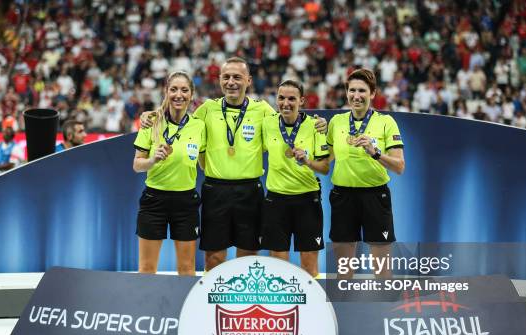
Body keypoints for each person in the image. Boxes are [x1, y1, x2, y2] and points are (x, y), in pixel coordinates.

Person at [140, 57, 327, 271]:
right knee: (214, 258)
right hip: (215, 190)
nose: (231, 82)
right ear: (219, 80)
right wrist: (150, 114)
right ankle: (215, 304)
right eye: (226, 77)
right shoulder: (207, 109)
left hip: (250, 191)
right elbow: (179, 118)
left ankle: (241, 303)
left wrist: (318, 122)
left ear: (248, 80)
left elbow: (289, 120)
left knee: (248, 258)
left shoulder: (262, 110)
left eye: (237, 77)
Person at [327, 68, 405, 278]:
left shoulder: (386, 122)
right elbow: (325, 160)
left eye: (362, 90)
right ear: (346, 93)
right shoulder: (336, 122)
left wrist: (375, 152)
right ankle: (344, 308)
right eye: (352, 90)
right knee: (343, 272)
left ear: (372, 93)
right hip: (342, 197)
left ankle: (383, 307)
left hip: (375, 197)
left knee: (382, 271)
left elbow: (399, 166)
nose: (356, 96)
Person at [132, 71, 206, 275]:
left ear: (191, 94)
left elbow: (205, 165)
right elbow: (137, 165)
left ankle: (183, 308)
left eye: (184, 90)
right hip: (154, 200)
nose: (178, 95)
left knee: (186, 268)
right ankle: (145, 308)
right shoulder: (152, 121)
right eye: (173, 89)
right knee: (147, 268)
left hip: (186, 203)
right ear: (166, 92)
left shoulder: (199, 126)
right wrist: (153, 160)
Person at [261, 80, 330, 277]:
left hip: (307, 200)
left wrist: (307, 161)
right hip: (276, 200)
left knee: (309, 270)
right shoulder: (267, 123)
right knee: (278, 269)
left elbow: (325, 168)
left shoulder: (315, 126)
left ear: (302, 101)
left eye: (292, 99)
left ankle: (312, 308)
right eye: (281, 98)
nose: (286, 103)